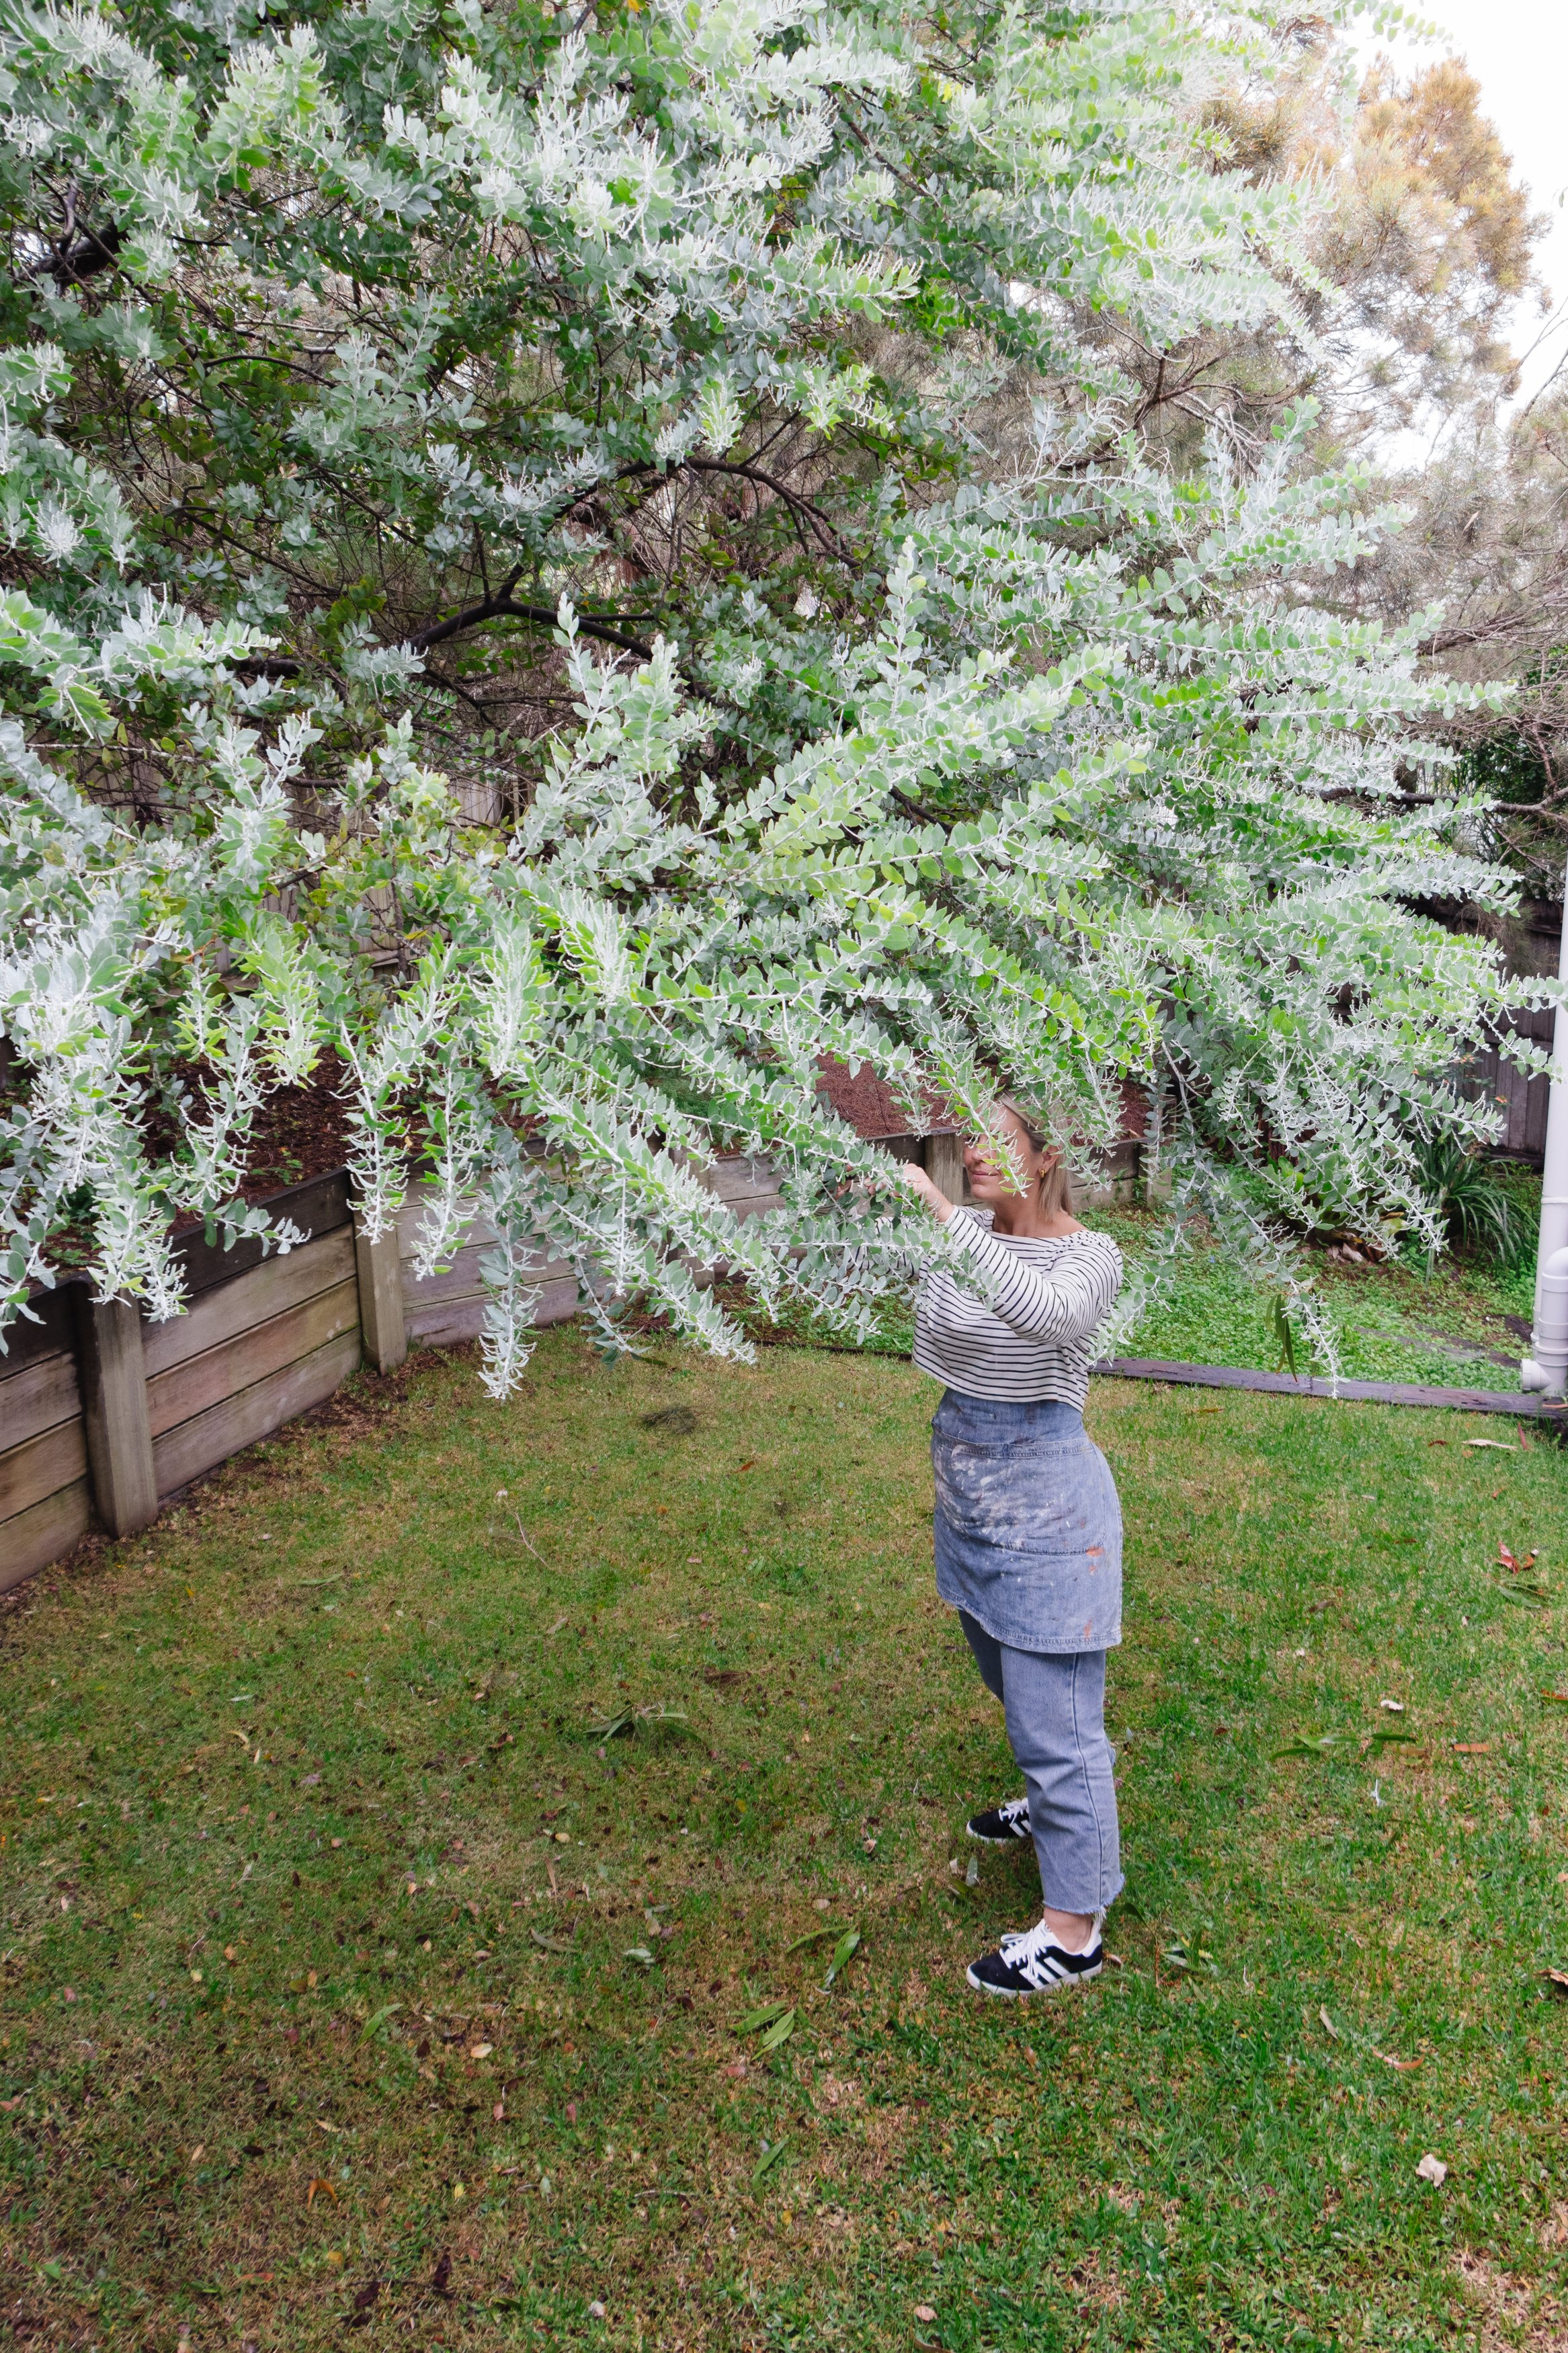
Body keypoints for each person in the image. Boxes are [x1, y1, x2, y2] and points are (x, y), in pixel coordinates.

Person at [901, 1103, 1125, 1997]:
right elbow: (937, 1342)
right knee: (1010, 1681)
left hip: (1047, 1514)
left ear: (1047, 1155)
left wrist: (947, 1220)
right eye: (967, 1141)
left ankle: (1074, 1931)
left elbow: (1046, 1320)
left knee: (1059, 1728)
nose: (972, 1157)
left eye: (999, 1142)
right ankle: (1050, 1809)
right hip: (969, 1499)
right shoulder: (971, 1238)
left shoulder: (1087, 1256)